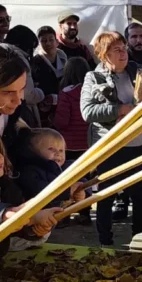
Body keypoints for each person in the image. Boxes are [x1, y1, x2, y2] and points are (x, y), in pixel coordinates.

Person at [81, 32, 142, 246]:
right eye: (116, 50)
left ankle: (139, 239)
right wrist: (120, 109)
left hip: (138, 144)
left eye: (124, 49)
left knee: (140, 196)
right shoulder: (94, 77)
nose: (123, 53)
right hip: (111, 147)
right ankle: (105, 242)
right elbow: (87, 111)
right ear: (104, 55)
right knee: (106, 196)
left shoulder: (138, 72)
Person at [52, 57, 92, 225]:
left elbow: (62, 121)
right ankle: (85, 213)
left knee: (66, 180)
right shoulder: (92, 91)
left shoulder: (66, 93)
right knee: (86, 180)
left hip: (68, 144)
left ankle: (64, 215)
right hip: (88, 142)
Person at [13, 128, 87, 210]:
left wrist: (82, 192)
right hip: (38, 214)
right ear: (34, 151)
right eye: (51, 149)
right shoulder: (29, 170)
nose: (58, 153)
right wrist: (66, 191)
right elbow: (38, 189)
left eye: (61, 150)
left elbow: (83, 181)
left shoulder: (67, 167)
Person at [5, 25, 45, 127]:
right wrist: (41, 92)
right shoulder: (19, 58)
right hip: (21, 114)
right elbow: (28, 95)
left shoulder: (0, 53)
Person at [32, 25, 67, 126]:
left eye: (51, 40)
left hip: (64, 106)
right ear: (39, 44)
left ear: (57, 41)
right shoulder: (35, 63)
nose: (48, 43)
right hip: (45, 111)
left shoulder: (64, 59)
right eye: (44, 41)